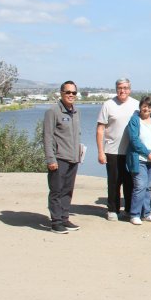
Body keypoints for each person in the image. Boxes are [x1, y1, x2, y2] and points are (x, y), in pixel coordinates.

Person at [96, 78, 139, 221]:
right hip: (112, 151)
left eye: (126, 88)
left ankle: (128, 209)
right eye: (120, 88)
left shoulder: (136, 105)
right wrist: (101, 152)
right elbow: (100, 129)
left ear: (130, 89)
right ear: (116, 89)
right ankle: (113, 209)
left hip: (131, 151)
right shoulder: (108, 105)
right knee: (114, 181)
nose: (123, 90)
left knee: (130, 182)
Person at [43, 80, 82, 234]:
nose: (71, 95)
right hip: (59, 158)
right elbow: (47, 137)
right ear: (61, 93)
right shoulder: (53, 112)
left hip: (73, 158)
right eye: (68, 92)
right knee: (56, 191)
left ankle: (64, 218)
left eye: (74, 92)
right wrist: (50, 159)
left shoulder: (76, 111)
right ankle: (56, 222)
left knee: (68, 190)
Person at [125, 97, 151, 225]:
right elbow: (134, 140)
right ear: (140, 107)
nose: (146, 109)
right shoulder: (134, 120)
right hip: (139, 159)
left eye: (149, 107)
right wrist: (148, 153)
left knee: (148, 187)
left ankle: (146, 213)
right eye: (144, 106)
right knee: (140, 186)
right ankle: (134, 214)